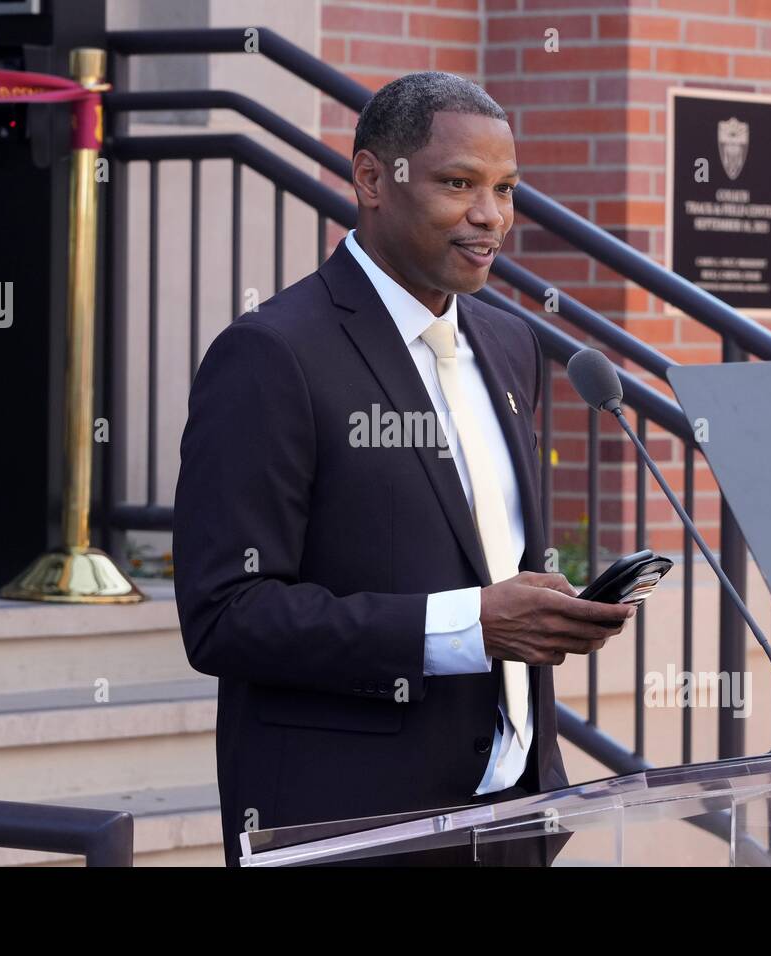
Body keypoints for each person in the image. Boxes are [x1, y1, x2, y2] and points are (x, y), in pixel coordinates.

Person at [172, 71, 633, 868]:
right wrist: (467, 626)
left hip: (513, 815)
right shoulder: (272, 356)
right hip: (352, 827)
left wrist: (547, 616)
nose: (490, 216)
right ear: (372, 178)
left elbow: (488, 562)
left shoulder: (510, 345)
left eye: (505, 189)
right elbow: (226, 614)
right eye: (460, 184)